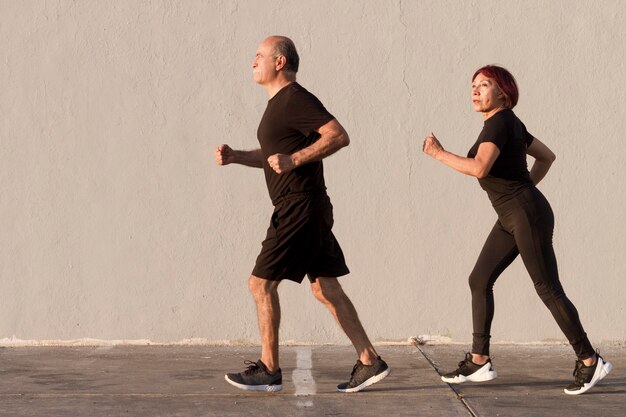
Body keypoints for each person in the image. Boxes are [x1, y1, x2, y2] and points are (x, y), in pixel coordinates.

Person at [422, 65, 612, 395]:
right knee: (479, 279)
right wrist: (525, 191)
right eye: (473, 85)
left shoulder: (500, 121)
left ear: (504, 94)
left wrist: (439, 154)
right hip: (515, 213)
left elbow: (479, 167)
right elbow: (547, 157)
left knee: (548, 288)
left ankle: (590, 360)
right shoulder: (507, 124)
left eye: (485, 84)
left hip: (524, 214)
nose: (476, 90)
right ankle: (479, 360)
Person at [215, 35, 390, 393]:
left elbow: (338, 135)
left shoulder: (295, 99)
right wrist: (236, 156)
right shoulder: (278, 105)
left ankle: (269, 369)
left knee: (260, 283)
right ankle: (369, 360)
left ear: (280, 62)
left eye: (259, 55)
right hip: (307, 205)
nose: (253, 61)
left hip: (300, 205)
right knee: (325, 288)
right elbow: (272, 157)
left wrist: (295, 160)